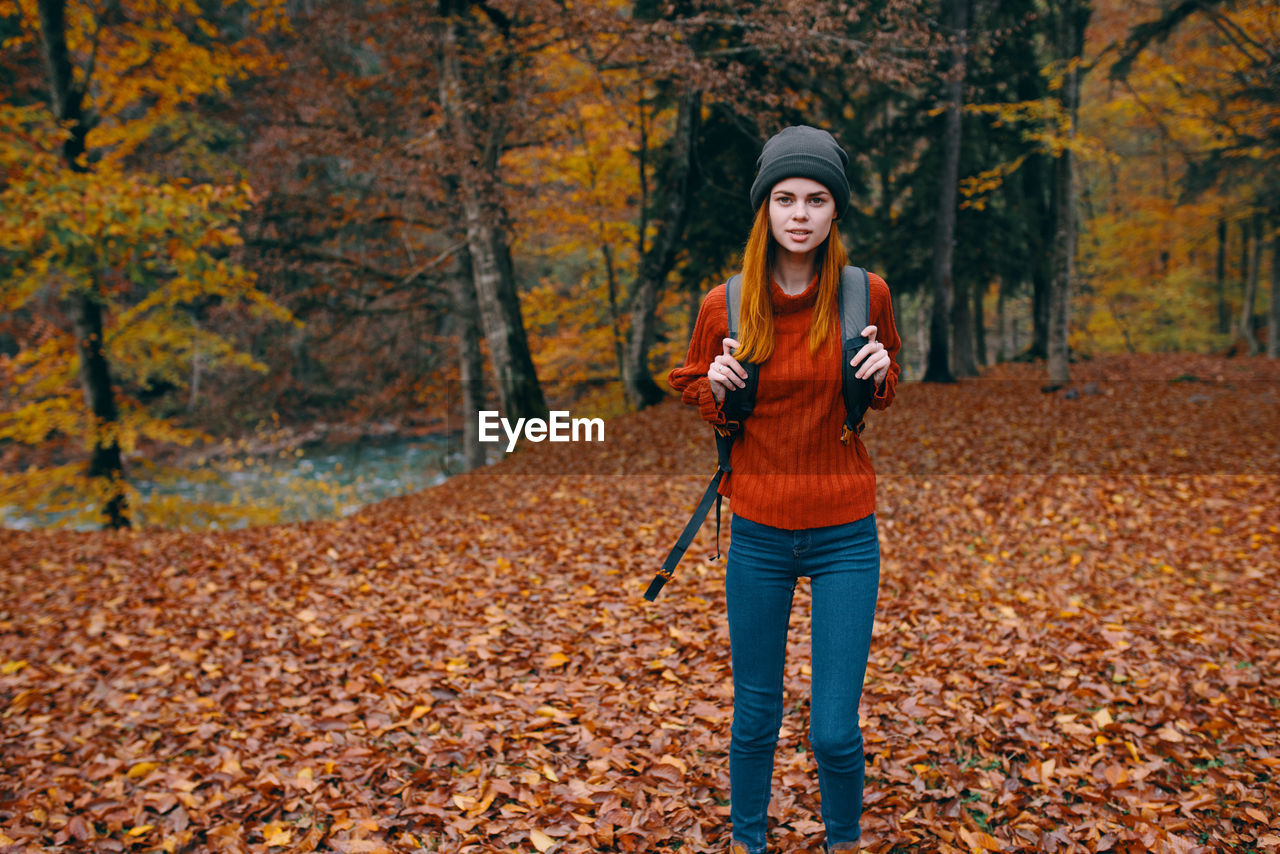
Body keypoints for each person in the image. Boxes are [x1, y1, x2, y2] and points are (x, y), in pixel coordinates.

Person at [667, 125, 901, 854]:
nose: (800, 213)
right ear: (765, 209)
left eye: (817, 199)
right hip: (760, 531)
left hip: (845, 533)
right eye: (785, 198)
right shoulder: (726, 305)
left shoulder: (867, 294)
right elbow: (691, 383)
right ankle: (748, 842)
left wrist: (878, 375)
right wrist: (712, 385)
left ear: (835, 212)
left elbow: (888, 386)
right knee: (754, 716)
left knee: (834, 726)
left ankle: (842, 842)